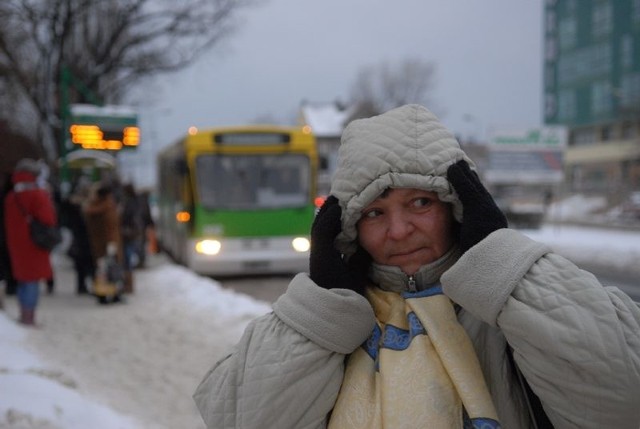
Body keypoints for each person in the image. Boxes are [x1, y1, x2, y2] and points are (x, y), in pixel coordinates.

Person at [193, 105, 640, 428]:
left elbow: (621, 398)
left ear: (457, 207)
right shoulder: (326, 324)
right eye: (374, 213)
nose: (400, 230)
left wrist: (506, 269)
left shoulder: (513, 306)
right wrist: (321, 308)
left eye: (420, 202)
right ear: (349, 227)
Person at [3, 159, 58, 326]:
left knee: (22, 278)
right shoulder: (38, 195)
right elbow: (49, 219)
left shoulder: (11, 196)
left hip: (15, 242)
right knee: (32, 279)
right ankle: (29, 316)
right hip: (34, 242)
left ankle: (23, 313)